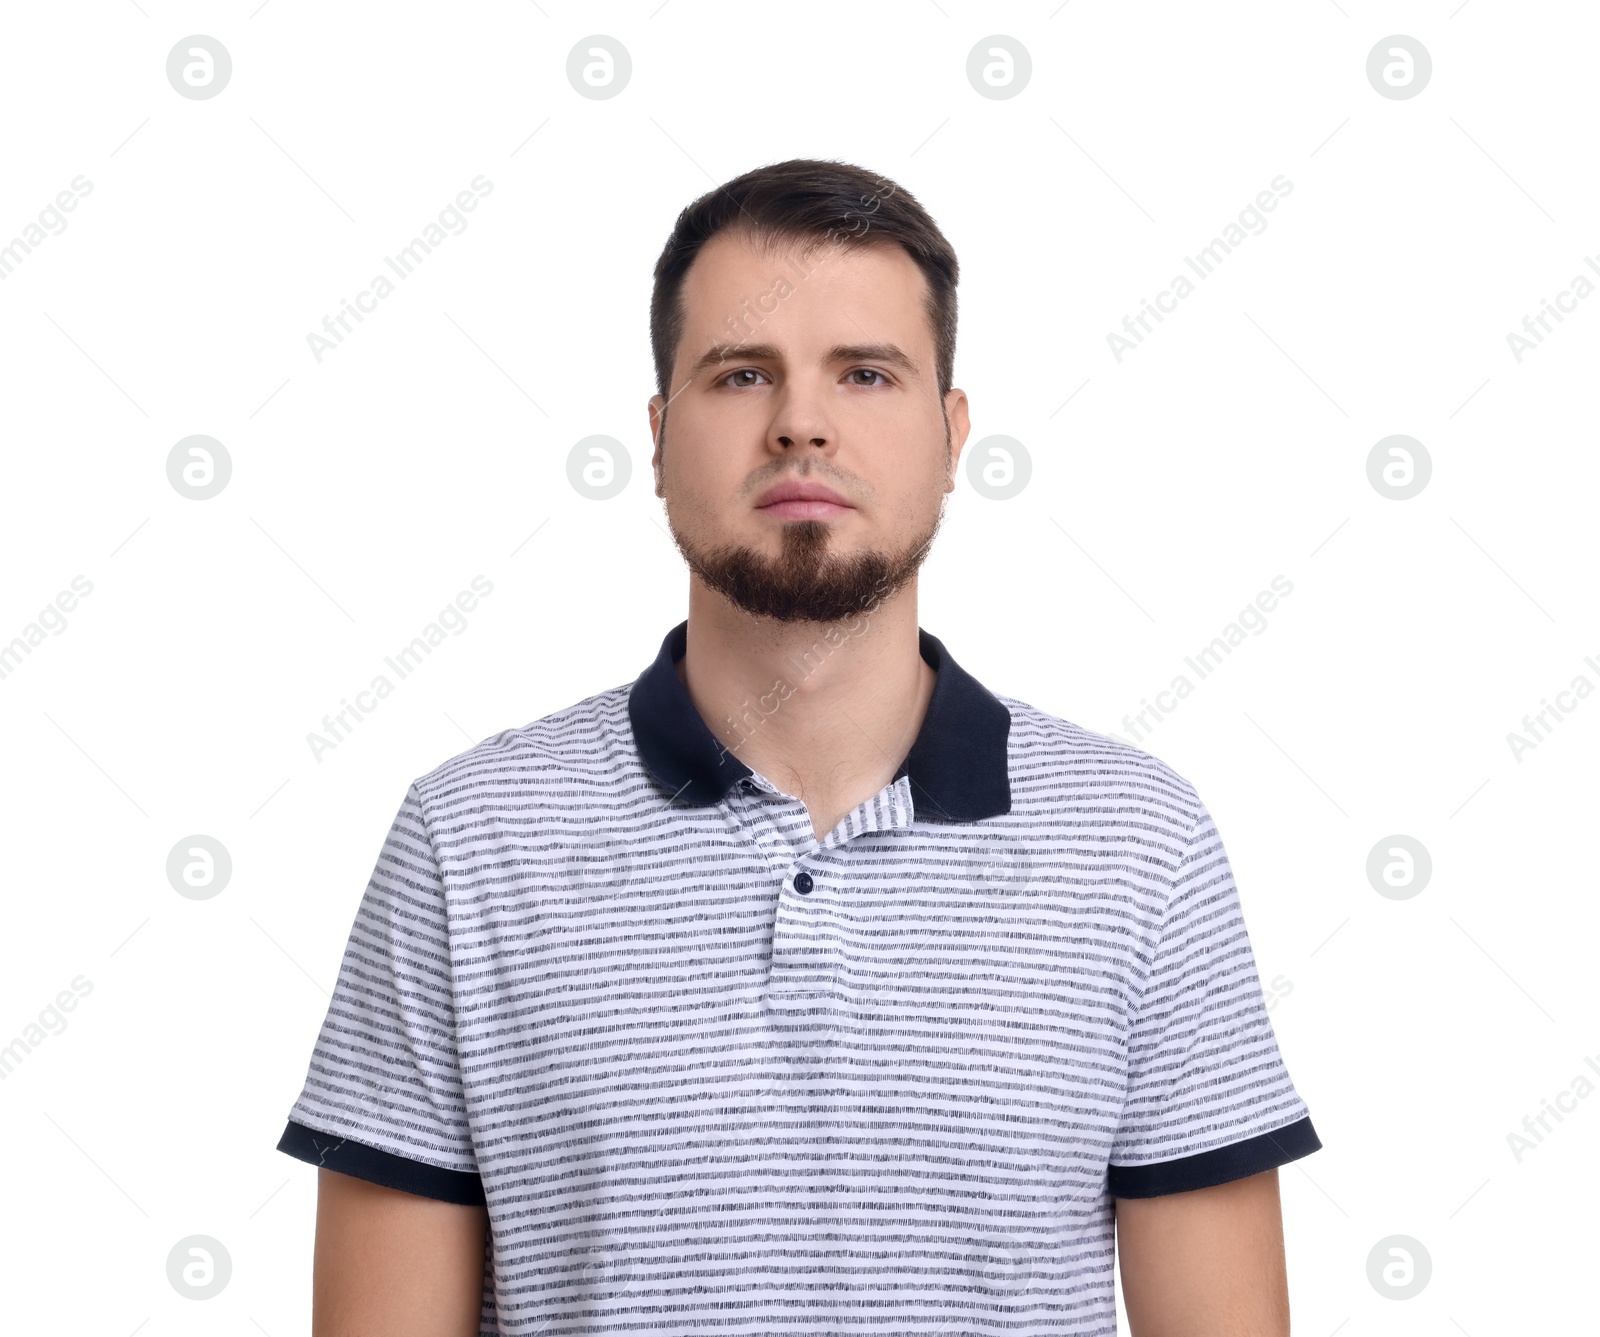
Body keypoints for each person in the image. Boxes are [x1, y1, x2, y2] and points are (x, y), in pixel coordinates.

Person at [277, 158, 1321, 1336]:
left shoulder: (1139, 843)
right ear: (661, 437)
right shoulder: (470, 843)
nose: (801, 423)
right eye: (741, 374)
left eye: (866, 373)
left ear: (951, 432)